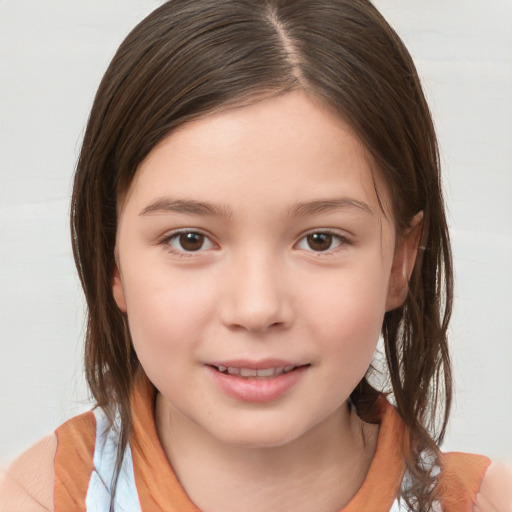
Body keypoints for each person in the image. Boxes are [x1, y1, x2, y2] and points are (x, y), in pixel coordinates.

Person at [0, 0, 510, 510]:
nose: (256, 308)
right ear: (112, 259)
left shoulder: (482, 502)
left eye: (320, 240)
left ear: (401, 261)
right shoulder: (41, 497)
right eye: (190, 239)